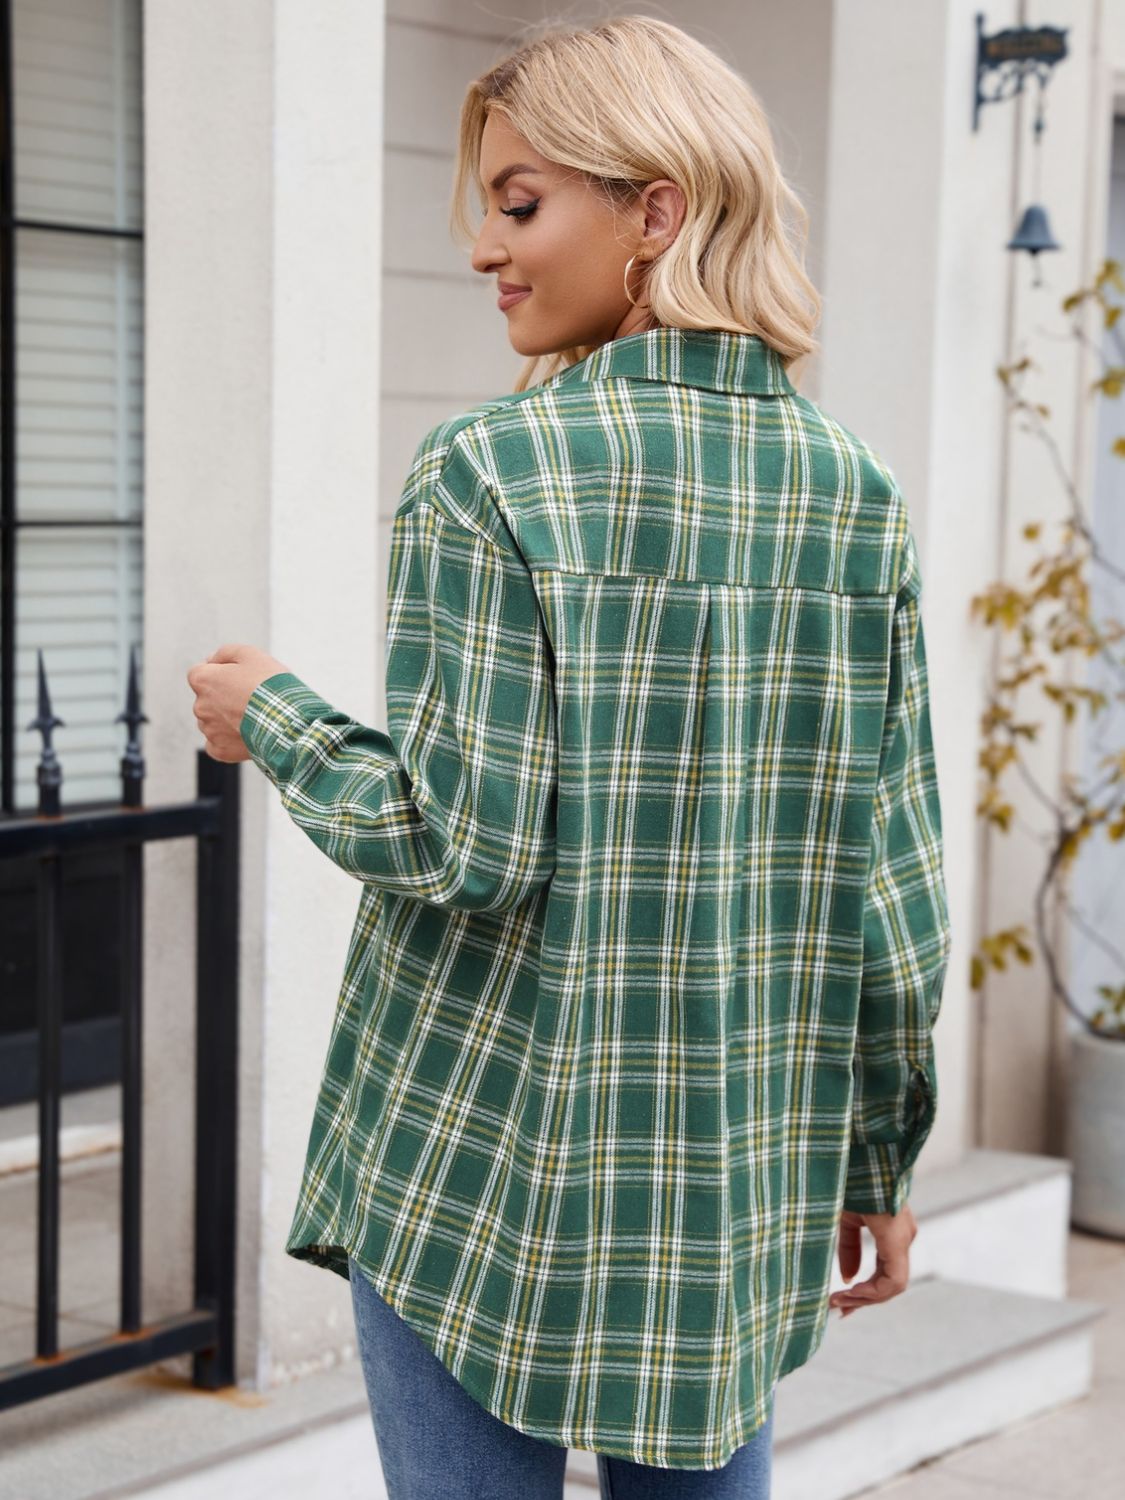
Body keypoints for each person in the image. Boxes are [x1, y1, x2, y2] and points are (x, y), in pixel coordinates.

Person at [186, 14, 952, 1499]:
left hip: (477, 1157)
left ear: (656, 210)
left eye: (520, 202)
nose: (484, 247)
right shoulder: (851, 491)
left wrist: (271, 714)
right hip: (725, 1186)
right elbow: (891, 885)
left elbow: (456, 842)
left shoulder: (493, 469)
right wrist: (877, 1162)